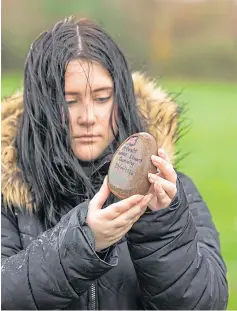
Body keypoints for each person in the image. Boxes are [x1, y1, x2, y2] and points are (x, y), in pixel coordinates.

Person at [1, 17, 228, 310]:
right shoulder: (8, 197)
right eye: (69, 101)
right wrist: (83, 242)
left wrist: (161, 224)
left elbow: (206, 304)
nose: (88, 117)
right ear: (41, 105)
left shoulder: (173, 192)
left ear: (120, 99)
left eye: (102, 97)